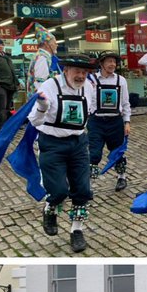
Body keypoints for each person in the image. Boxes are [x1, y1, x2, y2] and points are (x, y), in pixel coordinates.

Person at [30, 52, 99, 252]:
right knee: (58, 190)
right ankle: (50, 208)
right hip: (52, 143)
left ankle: (77, 230)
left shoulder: (88, 87)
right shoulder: (49, 87)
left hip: (78, 142)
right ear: (65, 70)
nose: (81, 76)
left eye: (84, 72)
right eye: (77, 71)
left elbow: (89, 111)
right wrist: (42, 107)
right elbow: (34, 121)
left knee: (83, 190)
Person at [87, 51, 132, 193]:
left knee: (117, 151)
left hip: (115, 122)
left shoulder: (121, 80)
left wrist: (127, 122)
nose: (112, 64)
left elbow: (125, 103)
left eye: (114, 61)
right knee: (94, 154)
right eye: (109, 61)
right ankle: (88, 184)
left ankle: (121, 177)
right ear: (101, 63)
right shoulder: (91, 80)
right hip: (96, 122)